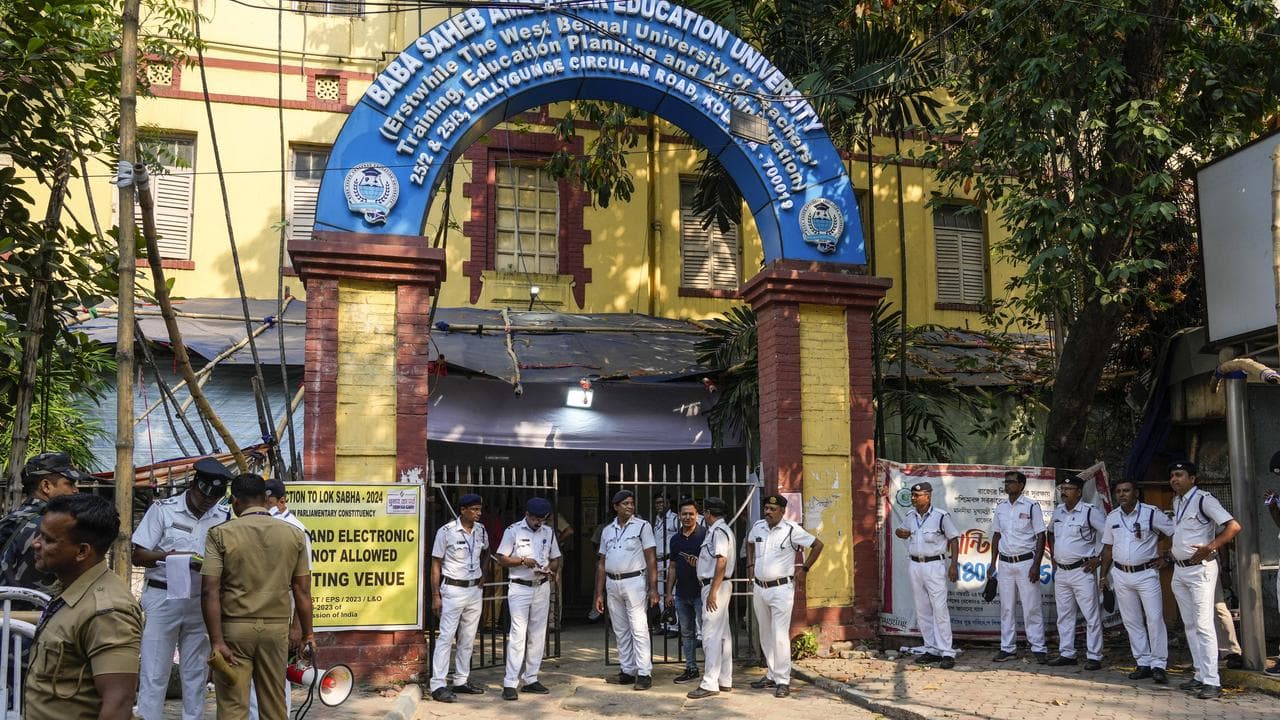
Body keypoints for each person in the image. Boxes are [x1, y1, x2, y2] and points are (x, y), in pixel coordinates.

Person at [201, 473, 313, 720]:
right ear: (264, 499)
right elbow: (302, 591)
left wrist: (217, 641)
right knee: (274, 706)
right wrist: (308, 634)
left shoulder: (220, 534)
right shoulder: (294, 535)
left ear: (235, 502)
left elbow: (209, 589)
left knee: (232, 707)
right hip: (275, 633)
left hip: (234, 633)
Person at [132, 456, 233, 720]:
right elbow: (138, 555)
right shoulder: (163, 510)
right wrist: (168, 556)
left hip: (201, 599)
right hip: (163, 595)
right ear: (194, 485)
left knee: (196, 671)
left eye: (215, 496)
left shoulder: (223, 516)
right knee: (155, 669)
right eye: (204, 494)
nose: (208, 501)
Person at [24, 493, 143, 720]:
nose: (35, 543)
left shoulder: (108, 612)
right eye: (39, 534)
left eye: (48, 540)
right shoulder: (70, 589)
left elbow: (118, 704)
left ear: (82, 552)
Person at [1166, 460, 1240, 700]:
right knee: (1190, 625)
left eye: (1179, 475)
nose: (1174, 479)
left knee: (1204, 624)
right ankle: (1199, 674)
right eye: (1172, 476)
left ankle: (1212, 681)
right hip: (1180, 570)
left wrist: (1211, 547)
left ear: (1192, 478)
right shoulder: (1177, 501)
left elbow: (1233, 527)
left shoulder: (1203, 499)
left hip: (1200, 570)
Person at [746, 493, 824, 696]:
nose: (768, 512)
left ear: (782, 511)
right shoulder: (758, 527)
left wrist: (804, 569)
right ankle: (771, 674)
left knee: (780, 635)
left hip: (781, 589)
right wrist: (750, 565)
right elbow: (750, 542)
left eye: (772, 509)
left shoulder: (791, 530)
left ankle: (783, 680)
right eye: (766, 508)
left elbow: (818, 545)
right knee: (765, 633)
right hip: (760, 587)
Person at [248, 478, 313, 719]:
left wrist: (298, 626)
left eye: (270, 501)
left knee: (277, 677)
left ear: (283, 501)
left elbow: (304, 585)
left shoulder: (297, 531)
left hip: (284, 611)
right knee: (254, 677)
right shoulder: (258, 525)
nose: (265, 505)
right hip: (256, 610)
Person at [1099, 478, 1174, 684]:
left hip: (1146, 573)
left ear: (1136, 493)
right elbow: (1107, 548)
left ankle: (1159, 664)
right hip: (1121, 574)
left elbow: (1175, 532)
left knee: (1154, 618)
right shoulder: (1113, 517)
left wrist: (1168, 557)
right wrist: (1103, 575)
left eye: (1126, 490)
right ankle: (1143, 662)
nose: (1122, 494)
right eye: (1119, 491)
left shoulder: (1151, 513)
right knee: (1131, 620)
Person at [496, 497, 561, 701]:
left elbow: (556, 558)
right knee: (518, 634)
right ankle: (510, 682)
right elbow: (501, 559)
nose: (538, 523)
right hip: (520, 587)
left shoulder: (548, 532)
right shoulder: (513, 530)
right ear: (527, 515)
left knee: (538, 634)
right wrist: (523, 560)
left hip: (541, 586)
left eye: (542, 519)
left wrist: (550, 569)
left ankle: (531, 679)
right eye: (535, 519)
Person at [594, 489, 658, 690]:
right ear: (615, 507)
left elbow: (651, 558)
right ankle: (628, 670)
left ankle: (644, 672)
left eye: (631, 503)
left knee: (638, 628)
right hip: (612, 583)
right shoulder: (607, 530)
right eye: (625, 503)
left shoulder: (642, 526)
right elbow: (602, 563)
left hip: (634, 582)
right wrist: (598, 592)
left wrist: (654, 588)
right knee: (620, 629)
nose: (630, 506)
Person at [429, 493, 489, 703]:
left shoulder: (481, 530)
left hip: (474, 590)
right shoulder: (446, 532)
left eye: (479, 509)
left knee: (468, 637)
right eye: (474, 509)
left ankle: (461, 680)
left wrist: (484, 576)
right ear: (462, 510)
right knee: (446, 637)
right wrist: (436, 595)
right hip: (453, 589)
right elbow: (436, 564)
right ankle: (438, 683)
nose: (478, 513)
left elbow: (486, 553)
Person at [892, 482, 959, 670]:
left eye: (917, 495)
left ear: (928, 496)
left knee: (939, 608)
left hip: (934, 565)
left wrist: (953, 565)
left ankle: (946, 651)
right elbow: (902, 531)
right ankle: (931, 648)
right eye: (912, 495)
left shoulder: (940, 516)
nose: (913, 498)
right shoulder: (910, 516)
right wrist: (900, 532)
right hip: (915, 564)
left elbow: (954, 539)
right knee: (922, 610)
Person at [0, 451, 89, 592]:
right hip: (38, 612)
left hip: (6, 612)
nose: (75, 490)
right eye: (69, 483)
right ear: (46, 486)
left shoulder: (10, 519)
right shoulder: (54, 527)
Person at [1045, 474, 1105, 670]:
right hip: (1062, 571)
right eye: (1062, 489)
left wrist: (1100, 558)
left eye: (1068, 489)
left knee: (1091, 615)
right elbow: (1050, 533)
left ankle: (1094, 656)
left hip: (1083, 570)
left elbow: (1110, 535)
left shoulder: (1090, 512)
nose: (1064, 492)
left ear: (1079, 492)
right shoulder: (1059, 511)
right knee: (1064, 615)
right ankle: (1067, 653)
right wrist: (1054, 556)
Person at [989, 470, 1048, 663]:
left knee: (1031, 607)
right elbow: (997, 535)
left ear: (1021, 485)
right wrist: (992, 563)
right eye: (1005, 482)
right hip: (1005, 563)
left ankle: (1038, 648)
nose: (1007, 485)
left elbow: (1041, 535)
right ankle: (1008, 648)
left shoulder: (1032, 506)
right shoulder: (1001, 507)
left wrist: (1036, 565)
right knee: (1006, 608)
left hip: (1025, 563)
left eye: (1011, 482)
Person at [686, 496, 735, 700]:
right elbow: (714, 560)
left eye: (703, 512)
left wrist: (713, 591)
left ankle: (709, 682)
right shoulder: (717, 531)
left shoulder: (719, 532)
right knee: (722, 635)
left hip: (716, 587)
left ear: (707, 513)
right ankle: (724, 679)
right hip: (716, 584)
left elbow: (721, 561)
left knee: (710, 635)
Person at [665, 497, 706, 684]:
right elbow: (672, 567)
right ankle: (691, 668)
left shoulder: (705, 535)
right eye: (684, 514)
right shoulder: (675, 539)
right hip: (682, 593)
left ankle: (712, 670)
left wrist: (700, 566)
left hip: (702, 593)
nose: (687, 517)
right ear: (679, 516)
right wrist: (668, 592)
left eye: (691, 514)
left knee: (707, 633)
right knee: (687, 633)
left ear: (697, 515)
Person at [651, 492, 679, 635]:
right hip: (658, 560)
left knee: (671, 593)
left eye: (662, 502)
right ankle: (665, 624)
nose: (660, 505)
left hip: (670, 560)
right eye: (657, 503)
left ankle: (674, 626)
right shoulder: (656, 520)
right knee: (661, 594)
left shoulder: (674, 519)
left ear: (668, 503)